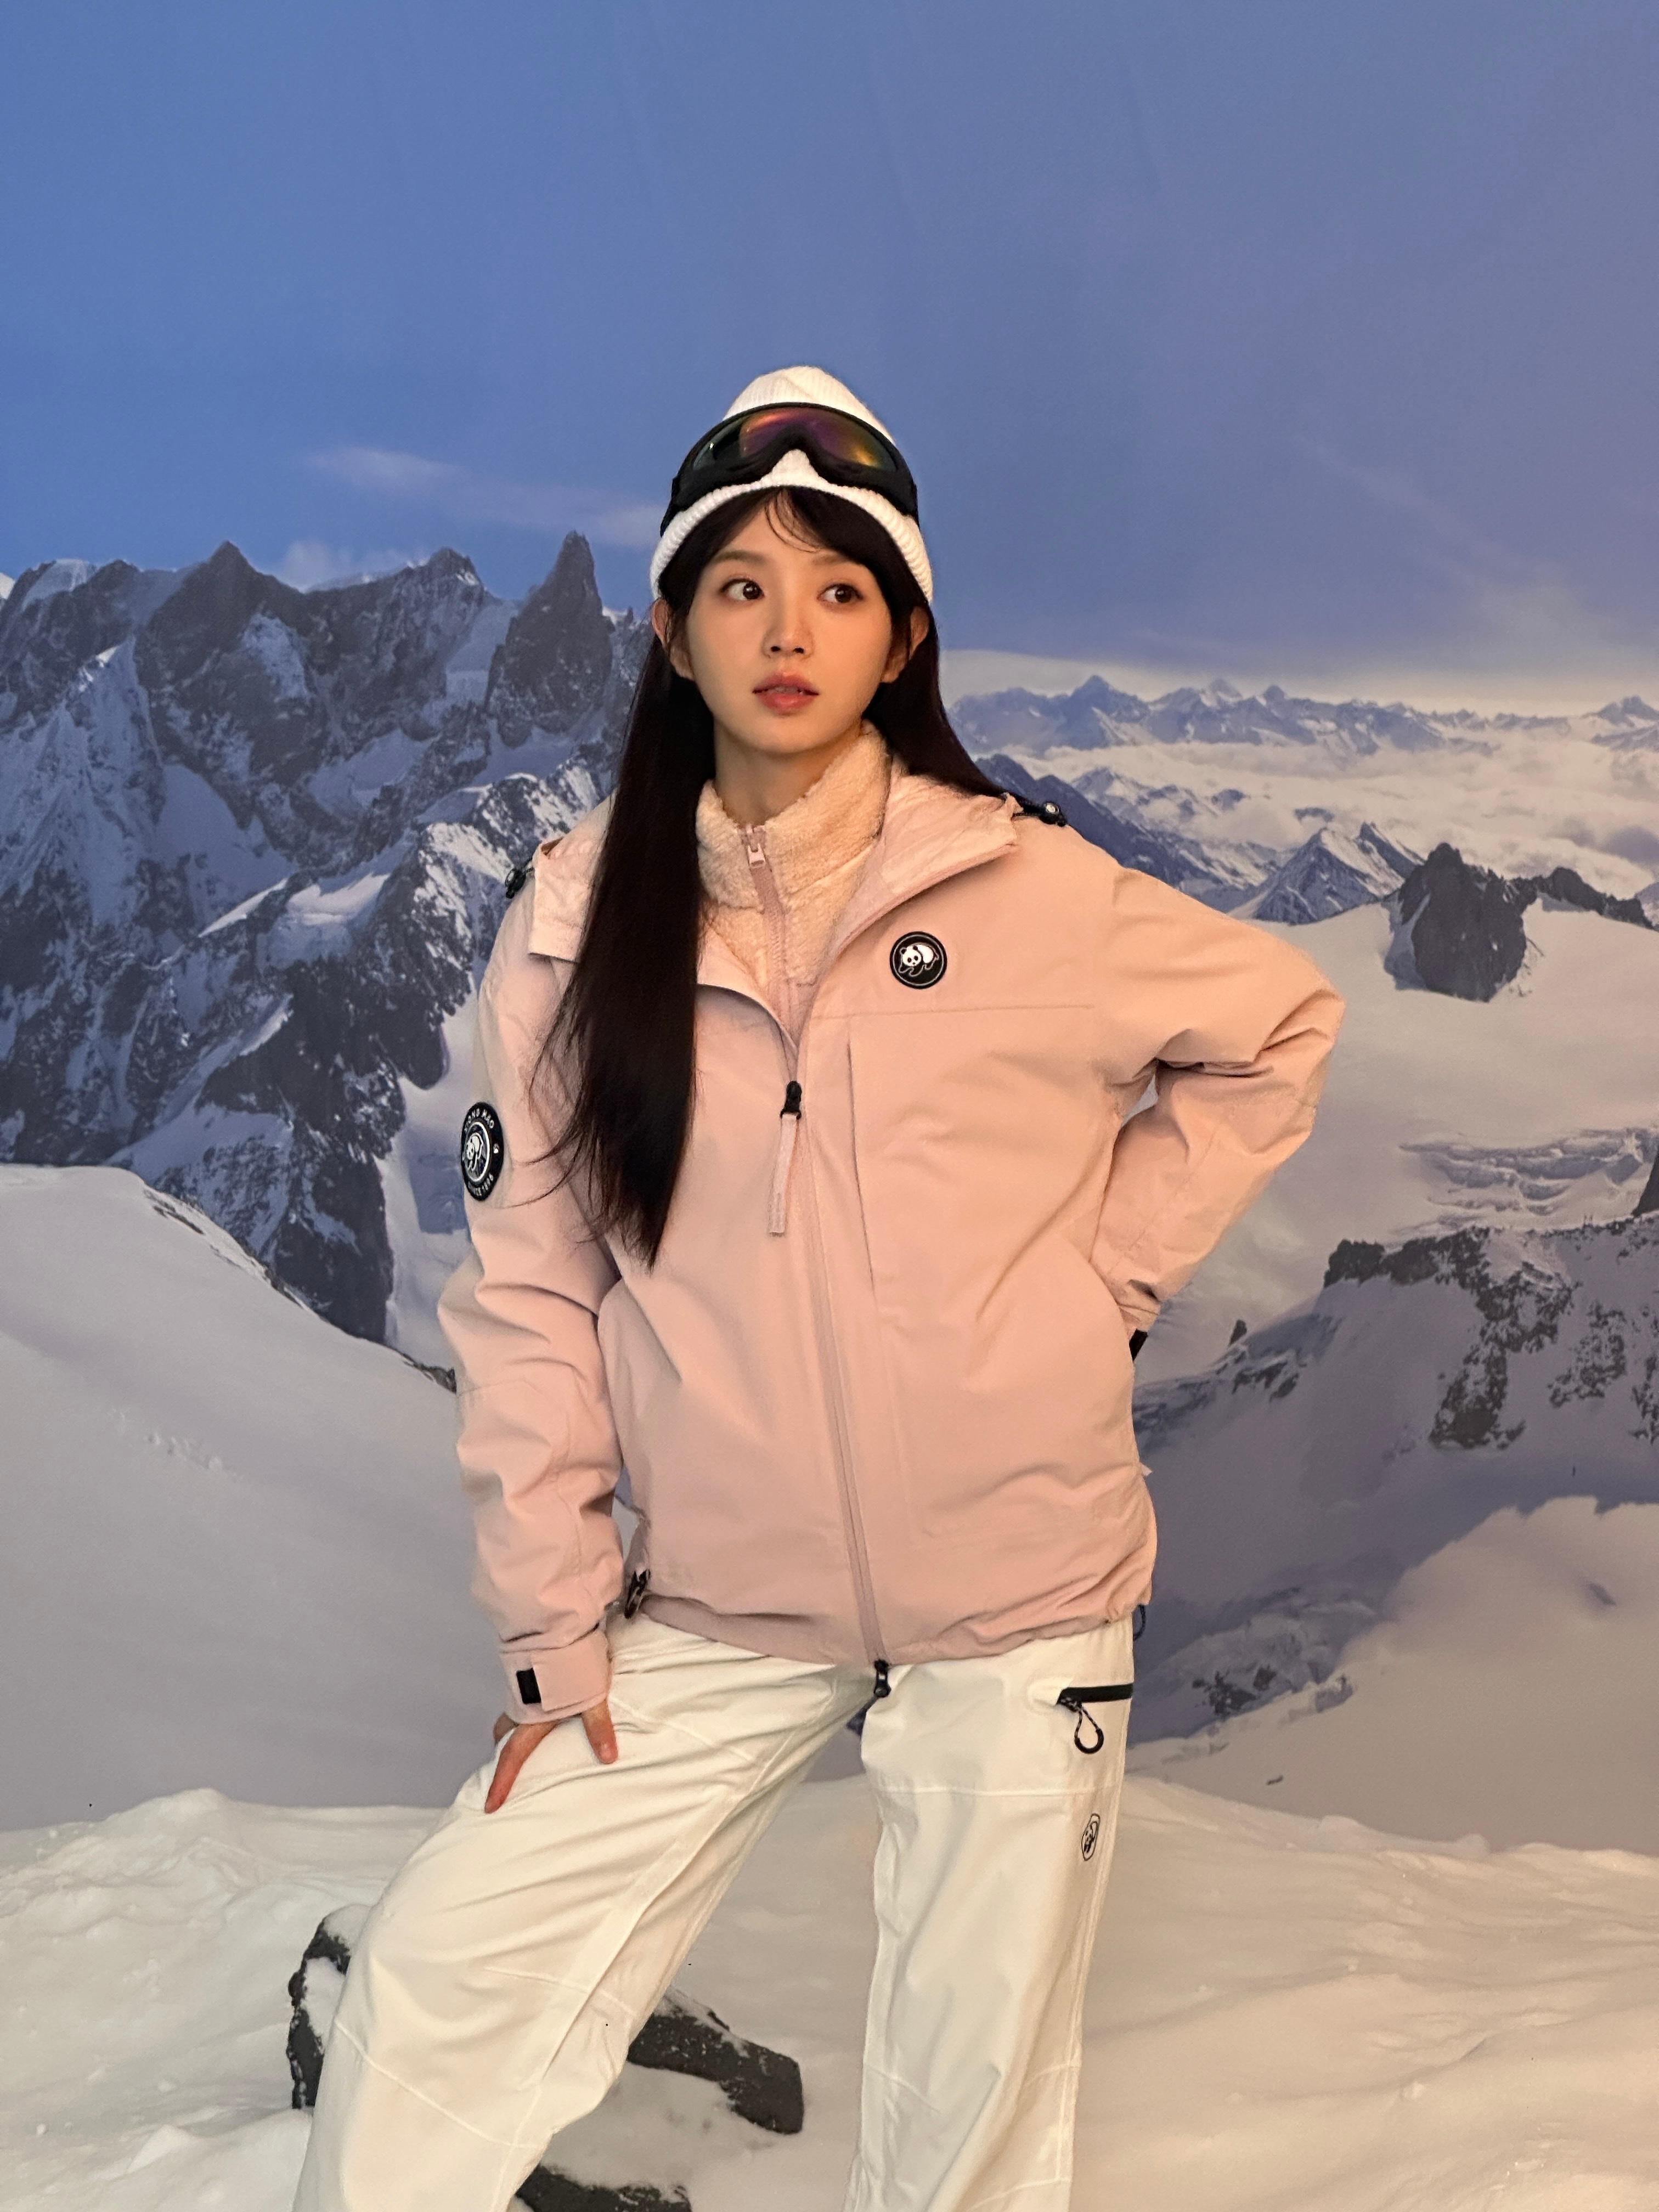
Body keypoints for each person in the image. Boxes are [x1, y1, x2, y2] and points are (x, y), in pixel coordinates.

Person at [293, 365, 1344, 2212]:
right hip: (723, 1592)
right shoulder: (570, 929)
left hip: (1021, 1592)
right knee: (443, 1981)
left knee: (966, 2101)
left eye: (840, 590)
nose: (790, 632)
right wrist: (552, 1628)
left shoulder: (1031, 891)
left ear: (902, 638)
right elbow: (529, 1297)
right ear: (672, 634)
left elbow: (1281, 1026)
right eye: (743, 586)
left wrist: (1097, 1286)